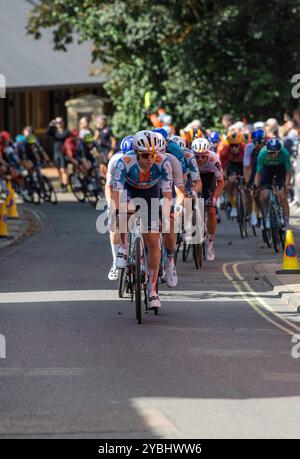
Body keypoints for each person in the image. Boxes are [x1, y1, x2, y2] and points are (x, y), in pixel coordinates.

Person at [112, 130, 173, 309]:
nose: (150, 159)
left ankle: (152, 289)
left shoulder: (164, 163)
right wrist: (116, 210)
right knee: (122, 210)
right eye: (146, 155)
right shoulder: (124, 162)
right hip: (129, 190)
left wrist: (166, 212)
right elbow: (116, 192)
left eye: (154, 154)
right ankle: (123, 247)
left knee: (153, 240)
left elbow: (167, 193)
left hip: (151, 193)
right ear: (137, 153)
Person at [105, 135, 133, 280]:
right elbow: (109, 186)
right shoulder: (115, 161)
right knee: (115, 222)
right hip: (121, 188)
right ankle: (116, 261)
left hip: (140, 187)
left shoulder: (146, 160)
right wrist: (111, 204)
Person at [191, 138, 224, 261]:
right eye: (197, 156)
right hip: (194, 178)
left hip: (208, 178)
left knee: (211, 210)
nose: (200, 159)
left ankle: (210, 242)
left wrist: (215, 198)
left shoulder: (213, 158)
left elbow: (220, 182)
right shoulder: (189, 157)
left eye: (203, 156)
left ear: (208, 154)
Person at [255, 138, 292, 229]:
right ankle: (266, 217)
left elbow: (288, 172)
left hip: (280, 169)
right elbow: (258, 173)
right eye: (270, 152)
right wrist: (257, 186)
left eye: (274, 152)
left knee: (282, 195)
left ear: (279, 151)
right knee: (264, 195)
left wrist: (287, 184)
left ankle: (286, 221)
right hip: (267, 168)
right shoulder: (262, 154)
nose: (272, 154)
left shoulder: (284, 154)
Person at [219, 132, 245, 218]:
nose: (233, 148)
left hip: (243, 165)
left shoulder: (245, 150)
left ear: (240, 145)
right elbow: (223, 167)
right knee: (230, 182)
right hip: (231, 165)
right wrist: (225, 178)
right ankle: (233, 205)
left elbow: (249, 166)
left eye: (236, 145)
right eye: (231, 145)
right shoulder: (225, 151)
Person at [47, 117, 70, 192]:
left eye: (60, 122)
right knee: (58, 170)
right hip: (56, 152)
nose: (58, 124)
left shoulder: (66, 132)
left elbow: (61, 137)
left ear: (63, 123)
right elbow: (48, 132)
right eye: (57, 123)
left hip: (64, 152)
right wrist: (51, 125)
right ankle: (62, 185)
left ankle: (65, 185)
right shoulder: (54, 132)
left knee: (63, 169)